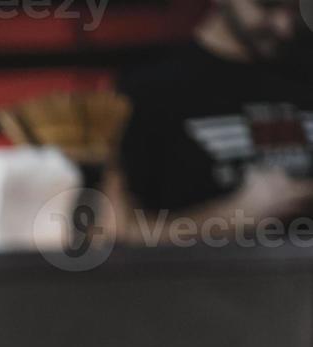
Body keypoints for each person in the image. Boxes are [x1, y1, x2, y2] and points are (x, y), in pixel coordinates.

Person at [104, 0, 313, 241]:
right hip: (205, 277)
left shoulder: (305, 75)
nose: (284, 26)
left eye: (294, 10)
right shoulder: (148, 91)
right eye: (266, 7)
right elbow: (113, 234)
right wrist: (229, 217)